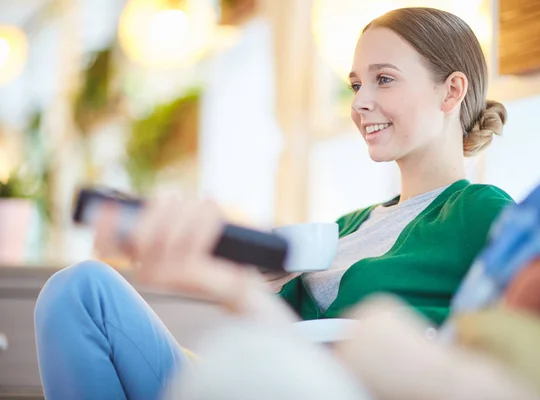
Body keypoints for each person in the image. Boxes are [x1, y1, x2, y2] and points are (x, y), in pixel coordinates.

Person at [34, 7, 513, 400]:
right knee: (80, 289)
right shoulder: (345, 227)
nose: (360, 102)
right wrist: (258, 285)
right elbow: (266, 336)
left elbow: (510, 354)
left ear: (452, 90)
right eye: (356, 85)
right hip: (259, 377)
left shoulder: (479, 210)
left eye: (383, 79)